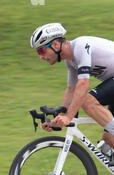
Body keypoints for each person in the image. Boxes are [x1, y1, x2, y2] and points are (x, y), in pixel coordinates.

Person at [31, 23, 114, 155]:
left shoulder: (81, 46)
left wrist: (69, 116)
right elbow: (71, 89)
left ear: (56, 45)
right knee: (109, 141)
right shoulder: (70, 61)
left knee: (88, 102)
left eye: (41, 50)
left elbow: (83, 84)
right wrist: (61, 116)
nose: (40, 56)